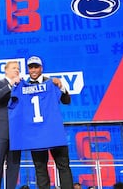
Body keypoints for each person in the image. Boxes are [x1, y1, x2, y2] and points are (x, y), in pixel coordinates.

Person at [26, 56, 73, 189]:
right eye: (31, 67)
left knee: (63, 165)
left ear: (41, 68)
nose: (33, 70)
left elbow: (66, 101)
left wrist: (61, 86)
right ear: (28, 69)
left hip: (53, 131)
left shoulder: (52, 83)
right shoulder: (23, 85)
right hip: (36, 134)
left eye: (36, 67)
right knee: (40, 168)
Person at [0, 61, 21, 189]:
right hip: (1, 131)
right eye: (14, 68)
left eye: (18, 68)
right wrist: (10, 85)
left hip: (17, 132)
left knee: (14, 167)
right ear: (6, 70)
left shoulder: (21, 86)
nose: (17, 70)